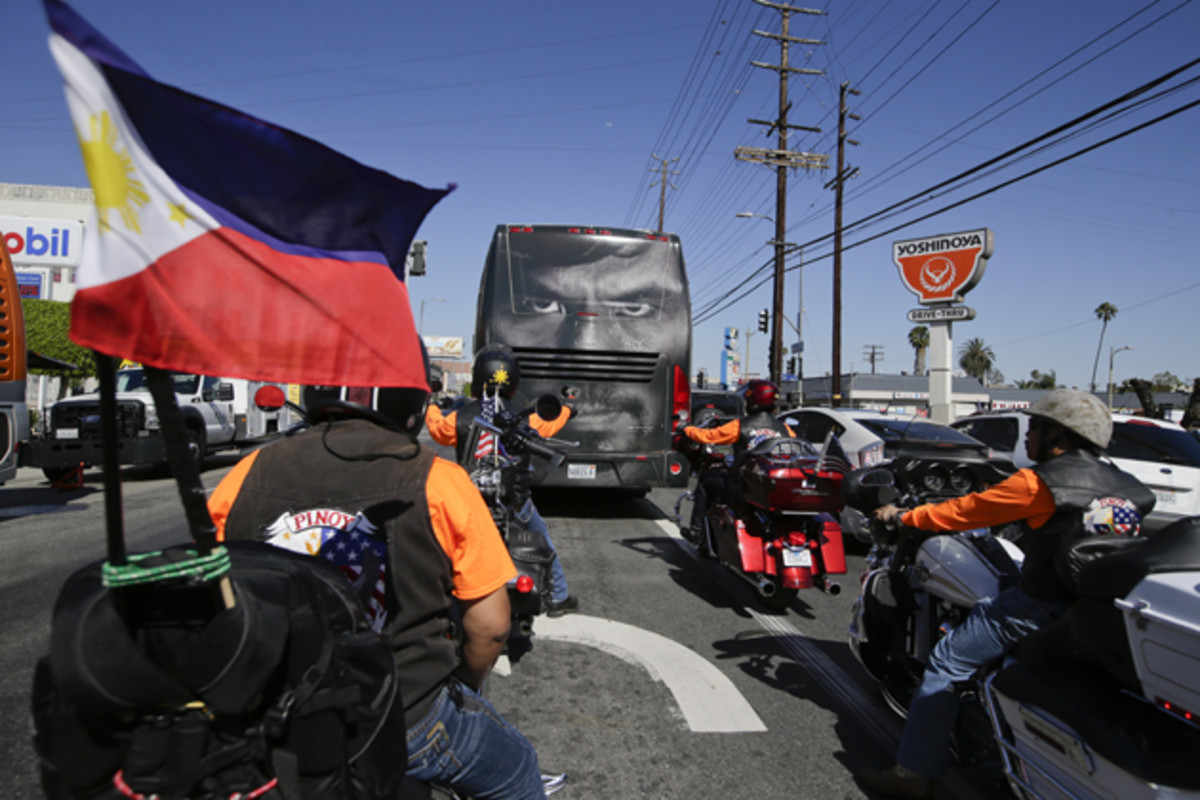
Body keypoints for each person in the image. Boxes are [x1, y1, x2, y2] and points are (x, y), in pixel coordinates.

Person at [207, 368, 553, 799]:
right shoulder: (439, 480)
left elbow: (212, 593)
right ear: (410, 402)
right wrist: (463, 681)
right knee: (519, 770)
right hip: (402, 714)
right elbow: (491, 626)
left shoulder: (246, 472)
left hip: (276, 710)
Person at [857, 388, 1155, 799]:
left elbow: (965, 511)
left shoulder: (1038, 482)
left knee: (947, 661)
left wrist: (906, 515)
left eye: (1034, 428)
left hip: (1039, 604)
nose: (1027, 437)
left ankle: (913, 774)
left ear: (1058, 438)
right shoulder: (1127, 487)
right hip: (1095, 607)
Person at [425, 343, 580, 617]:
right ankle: (558, 597)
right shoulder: (527, 416)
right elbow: (550, 425)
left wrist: (433, 407)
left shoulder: (460, 417)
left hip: (471, 499)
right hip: (515, 500)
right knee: (543, 539)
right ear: (513, 380)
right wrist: (567, 410)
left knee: (442, 543)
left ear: (477, 377)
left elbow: (437, 430)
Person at [677, 378, 794, 543]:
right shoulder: (785, 429)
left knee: (705, 480)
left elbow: (708, 436)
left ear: (751, 401)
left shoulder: (740, 426)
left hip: (743, 487)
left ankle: (696, 531)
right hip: (775, 488)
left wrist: (686, 428)